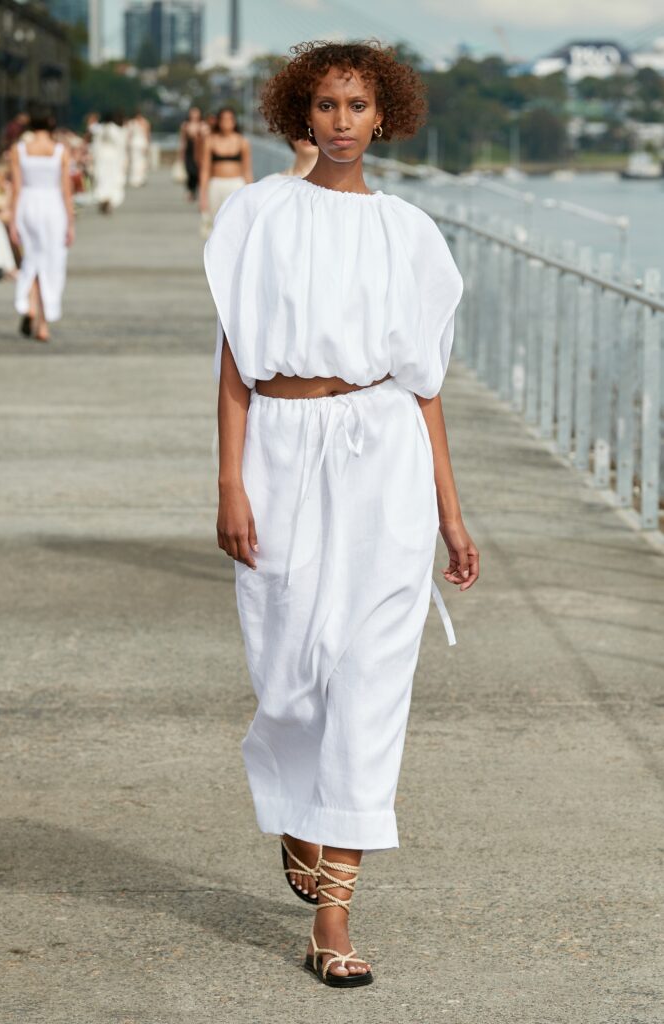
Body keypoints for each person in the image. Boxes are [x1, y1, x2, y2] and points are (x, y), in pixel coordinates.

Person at [203, 41, 479, 989]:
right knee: (289, 672)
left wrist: (451, 513)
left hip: (381, 458)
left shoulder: (409, 231)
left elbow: (424, 386)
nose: (343, 120)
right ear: (301, 113)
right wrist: (230, 483)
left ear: (384, 114)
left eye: (359, 104)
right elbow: (235, 360)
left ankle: (333, 916)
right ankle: (297, 807)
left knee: (368, 675)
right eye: (326, 103)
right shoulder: (259, 213)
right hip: (280, 447)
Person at [8, 104, 74, 341]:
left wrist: (13, 221)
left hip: (28, 204)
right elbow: (66, 190)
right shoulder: (59, 150)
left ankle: (29, 303)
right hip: (52, 206)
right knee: (52, 263)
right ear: (52, 123)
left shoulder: (20, 149)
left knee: (32, 260)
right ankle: (43, 322)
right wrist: (71, 223)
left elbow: (15, 188)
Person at [199, 107, 252, 237]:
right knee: (215, 223)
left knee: (237, 223)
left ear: (234, 121)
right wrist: (203, 195)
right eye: (223, 119)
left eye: (229, 119)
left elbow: (247, 170)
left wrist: (251, 192)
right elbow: (205, 169)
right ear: (218, 121)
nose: (226, 122)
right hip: (216, 183)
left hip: (236, 184)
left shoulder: (242, 142)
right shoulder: (210, 140)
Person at [90, 111, 127, 214]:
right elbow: (121, 146)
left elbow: (95, 143)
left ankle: (102, 197)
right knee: (112, 178)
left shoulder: (100, 129)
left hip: (101, 157)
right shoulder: (117, 130)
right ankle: (110, 199)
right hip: (114, 158)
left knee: (102, 179)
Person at [177, 107, 206, 201]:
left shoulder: (203, 125)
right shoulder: (185, 125)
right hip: (189, 151)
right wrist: (181, 153)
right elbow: (183, 140)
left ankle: (198, 191)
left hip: (200, 151)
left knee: (198, 172)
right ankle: (190, 190)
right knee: (190, 171)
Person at [127, 111, 151, 188]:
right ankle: (139, 178)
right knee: (139, 161)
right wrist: (147, 144)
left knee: (136, 161)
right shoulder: (144, 122)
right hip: (141, 143)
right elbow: (147, 135)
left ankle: (137, 178)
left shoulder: (132, 123)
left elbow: (129, 135)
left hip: (135, 143)